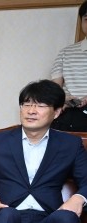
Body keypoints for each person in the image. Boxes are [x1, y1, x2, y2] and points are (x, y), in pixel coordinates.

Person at [0, 79, 87, 223]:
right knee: (6, 215)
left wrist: (78, 198)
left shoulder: (70, 145)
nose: (31, 111)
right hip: (7, 214)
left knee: (66, 217)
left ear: (57, 112)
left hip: (49, 217)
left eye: (40, 106)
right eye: (26, 104)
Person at [50, 1, 87, 131]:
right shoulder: (66, 52)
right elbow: (55, 88)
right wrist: (64, 99)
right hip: (70, 112)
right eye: (86, 19)